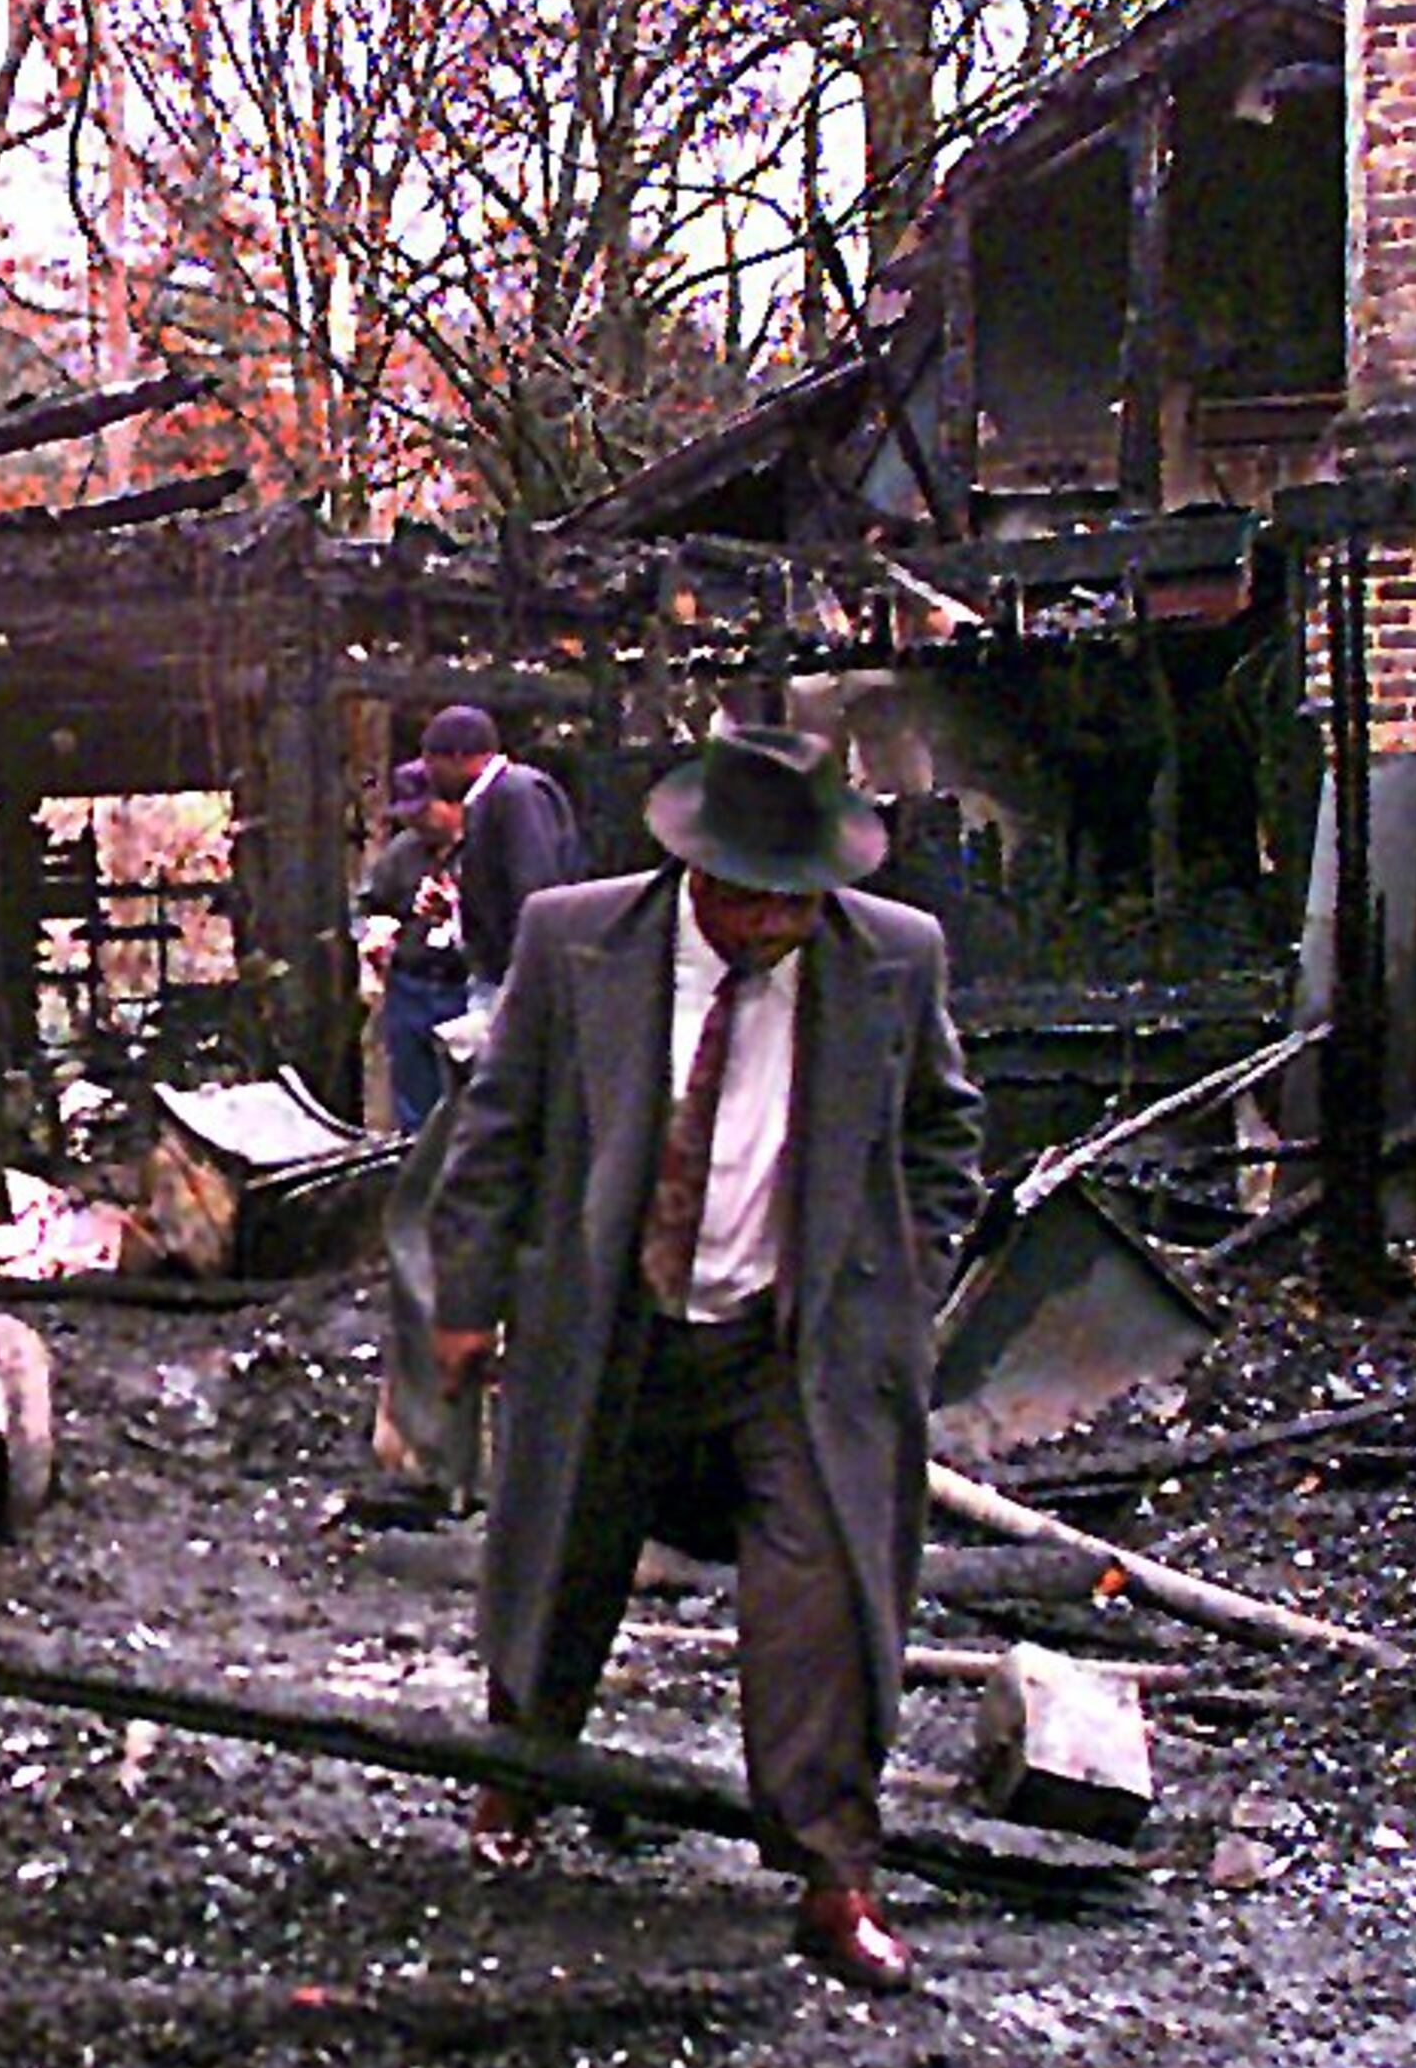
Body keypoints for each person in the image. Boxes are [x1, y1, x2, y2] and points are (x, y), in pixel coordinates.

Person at [399, 716, 984, 1992]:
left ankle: (834, 1875)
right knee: (560, 1558)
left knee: (825, 1594)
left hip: (793, 1339)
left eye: (802, 899)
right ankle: (520, 1779)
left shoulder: (889, 957)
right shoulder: (576, 939)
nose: (780, 924)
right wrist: (466, 1299)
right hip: (611, 1321)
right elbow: (491, 1135)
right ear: (699, 875)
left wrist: (903, 1290)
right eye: (756, 901)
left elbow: (945, 1136)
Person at [418, 702, 585, 1004]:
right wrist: (457, 906)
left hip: (518, 982)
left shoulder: (516, 795)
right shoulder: (492, 798)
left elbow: (535, 892)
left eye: (431, 761)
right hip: (503, 976)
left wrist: (527, 984)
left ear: (458, 757)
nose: (429, 774)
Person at [354, 757, 470, 1133]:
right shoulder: (402, 853)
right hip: (410, 987)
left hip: (463, 986)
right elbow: (372, 905)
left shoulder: (484, 847)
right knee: (414, 1104)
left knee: (465, 1100)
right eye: (409, 814)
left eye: (424, 811)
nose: (417, 821)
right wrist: (374, 935)